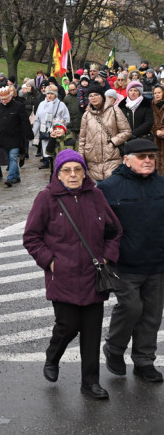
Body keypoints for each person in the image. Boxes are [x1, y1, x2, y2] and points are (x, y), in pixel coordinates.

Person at [23, 150, 122, 400]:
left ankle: (90, 383)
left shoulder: (96, 195)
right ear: (57, 174)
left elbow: (115, 231)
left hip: (93, 276)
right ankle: (53, 355)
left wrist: (107, 257)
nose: (73, 174)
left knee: (92, 330)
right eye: (67, 170)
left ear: (84, 172)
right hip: (63, 276)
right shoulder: (46, 198)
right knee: (68, 325)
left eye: (77, 169)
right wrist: (51, 262)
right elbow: (31, 237)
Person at [96, 138, 164, 383]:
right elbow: (98, 227)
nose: (148, 160)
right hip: (124, 265)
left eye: (151, 157)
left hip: (157, 264)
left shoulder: (162, 185)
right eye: (142, 156)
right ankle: (114, 348)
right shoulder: (109, 187)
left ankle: (144, 361)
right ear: (126, 159)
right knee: (131, 307)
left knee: (152, 315)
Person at [78, 84, 132, 182]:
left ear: (102, 96)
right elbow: (82, 139)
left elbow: (127, 131)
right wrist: (81, 160)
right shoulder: (86, 115)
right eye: (90, 96)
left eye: (96, 95)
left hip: (113, 159)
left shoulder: (115, 110)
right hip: (93, 162)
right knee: (98, 194)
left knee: (113, 192)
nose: (93, 98)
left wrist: (113, 142)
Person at [0, 85, 31, 188]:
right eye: (2, 99)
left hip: (15, 137)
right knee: (9, 158)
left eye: (5, 99)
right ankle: (16, 176)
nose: (3, 101)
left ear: (10, 96)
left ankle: (10, 177)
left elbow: (24, 121)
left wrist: (28, 134)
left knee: (13, 157)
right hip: (2, 137)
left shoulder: (18, 106)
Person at [32, 85, 70, 169]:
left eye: (51, 94)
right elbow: (37, 119)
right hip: (44, 131)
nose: (49, 96)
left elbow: (66, 119)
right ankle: (46, 162)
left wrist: (59, 124)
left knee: (56, 152)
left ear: (55, 94)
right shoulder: (42, 104)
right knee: (46, 149)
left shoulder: (61, 105)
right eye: (48, 93)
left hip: (56, 132)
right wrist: (33, 133)